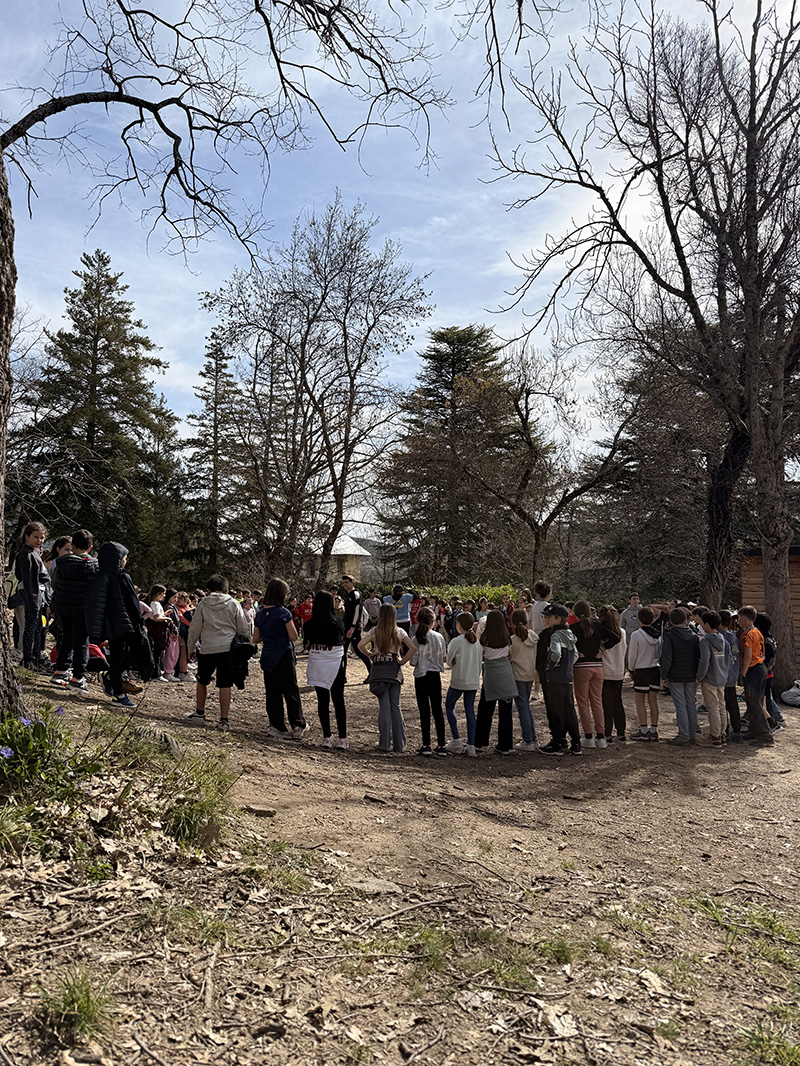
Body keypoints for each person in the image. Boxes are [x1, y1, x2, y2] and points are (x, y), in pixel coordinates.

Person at [85, 542, 153, 708]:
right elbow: (132, 602)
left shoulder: (100, 577)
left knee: (115, 659)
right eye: (124, 557)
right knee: (138, 651)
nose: (126, 560)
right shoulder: (123, 577)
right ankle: (117, 691)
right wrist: (140, 621)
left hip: (111, 626)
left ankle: (118, 692)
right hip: (127, 625)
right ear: (118, 559)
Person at [184, 574, 250, 730]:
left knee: (202, 680)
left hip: (208, 646)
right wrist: (246, 644)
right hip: (228, 648)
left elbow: (195, 628)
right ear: (226, 589)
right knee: (225, 684)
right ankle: (224, 720)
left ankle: (200, 713)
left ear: (208, 590)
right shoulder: (234, 603)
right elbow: (243, 627)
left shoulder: (203, 604)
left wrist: (191, 647)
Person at [253, 578, 308, 740]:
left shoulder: (260, 614)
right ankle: (297, 724)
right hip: (283, 654)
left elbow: (256, 638)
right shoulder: (284, 612)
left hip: (267, 656)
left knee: (273, 693)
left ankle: (276, 725)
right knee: (290, 690)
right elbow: (293, 635)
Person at [358, 603, 415, 753]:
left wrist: (370, 654)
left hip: (379, 669)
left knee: (384, 707)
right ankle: (399, 744)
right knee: (395, 707)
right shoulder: (399, 631)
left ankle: (384, 743)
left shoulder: (375, 631)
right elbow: (413, 648)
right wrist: (402, 661)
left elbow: (360, 645)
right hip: (394, 669)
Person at [50, 529, 98, 691]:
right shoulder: (94, 566)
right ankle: (78, 677)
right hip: (83, 609)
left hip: (63, 606)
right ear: (90, 547)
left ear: (73, 545)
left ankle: (60, 670)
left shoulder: (63, 563)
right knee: (82, 643)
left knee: (67, 638)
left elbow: (54, 584)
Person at [570, 599, 620, 748]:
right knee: (597, 701)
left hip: (581, 667)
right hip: (598, 667)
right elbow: (616, 638)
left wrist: (577, 652)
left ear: (575, 613)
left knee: (583, 703)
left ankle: (588, 736)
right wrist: (602, 649)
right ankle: (601, 736)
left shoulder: (573, 628)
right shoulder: (597, 626)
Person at [303, 591, 349, 750]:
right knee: (338, 701)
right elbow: (342, 639)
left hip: (318, 664)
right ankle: (343, 739)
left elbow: (306, 643)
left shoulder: (308, 624)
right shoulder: (337, 622)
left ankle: (326, 737)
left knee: (322, 701)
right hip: (336, 664)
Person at [538, 604, 581, 756]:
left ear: (558, 619)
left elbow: (555, 654)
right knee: (569, 710)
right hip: (567, 678)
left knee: (556, 711)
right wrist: (567, 667)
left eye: (548, 617)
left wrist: (550, 666)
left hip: (555, 678)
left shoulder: (554, 635)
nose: (545, 619)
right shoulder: (569, 633)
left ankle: (557, 743)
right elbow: (575, 655)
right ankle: (576, 743)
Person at [474, 610, 518, 755]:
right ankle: (505, 745)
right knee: (506, 712)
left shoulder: (485, 639)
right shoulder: (507, 637)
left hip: (491, 674)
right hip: (506, 674)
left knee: (485, 710)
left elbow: (481, 656)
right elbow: (510, 655)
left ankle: (480, 742)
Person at [444, 611, 482, 756]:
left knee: (449, 706)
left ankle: (456, 739)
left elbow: (448, 661)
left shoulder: (456, 641)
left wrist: (453, 661)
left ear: (458, 625)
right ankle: (471, 745)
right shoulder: (477, 641)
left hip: (459, 679)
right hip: (472, 680)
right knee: (470, 711)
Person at [410, 606, 447, 756]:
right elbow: (443, 657)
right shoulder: (439, 637)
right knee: (437, 709)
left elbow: (413, 662)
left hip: (421, 676)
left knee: (424, 710)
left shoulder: (416, 638)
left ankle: (426, 744)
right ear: (433, 622)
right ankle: (442, 744)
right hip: (435, 675)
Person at [662, 606, 701, 746]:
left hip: (676, 674)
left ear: (671, 622)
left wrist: (663, 675)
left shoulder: (670, 636)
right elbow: (698, 657)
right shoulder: (694, 636)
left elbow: (667, 657)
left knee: (680, 705)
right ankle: (692, 733)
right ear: (686, 620)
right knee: (690, 704)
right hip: (691, 674)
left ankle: (683, 735)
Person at [14, 521, 50, 670]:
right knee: (30, 627)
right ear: (27, 537)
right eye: (36, 537)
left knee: (36, 627)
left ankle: (34, 657)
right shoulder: (26, 554)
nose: (39, 541)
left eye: (42, 538)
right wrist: (33, 600)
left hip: (36, 594)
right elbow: (29, 580)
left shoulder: (33, 552)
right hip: (31, 594)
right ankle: (28, 659)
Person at [738, 606, 773, 746]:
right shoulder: (757, 631)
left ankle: (765, 735)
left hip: (753, 669)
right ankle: (754, 730)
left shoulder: (748, 634)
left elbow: (747, 655)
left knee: (755, 703)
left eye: (739, 618)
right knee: (753, 701)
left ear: (745, 618)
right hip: (761, 668)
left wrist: (743, 672)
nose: (738, 621)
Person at [627, 606, 662, 741]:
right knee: (653, 701)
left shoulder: (636, 635)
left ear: (639, 620)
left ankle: (643, 729)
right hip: (654, 668)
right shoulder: (657, 635)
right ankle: (653, 730)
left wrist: (631, 669)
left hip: (641, 669)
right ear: (652, 620)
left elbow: (632, 655)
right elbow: (659, 654)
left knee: (639, 701)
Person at [697, 611, 731, 746]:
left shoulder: (706, 641)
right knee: (722, 707)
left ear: (706, 624)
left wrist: (699, 677)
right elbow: (728, 659)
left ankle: (715, 736)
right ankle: (722, 734)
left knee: (713, 708)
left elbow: (704, 661)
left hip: (710, 679)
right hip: (722, 678)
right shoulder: (724, 640)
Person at [509, 608, 539, 751]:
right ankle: (532, 738)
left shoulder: (513, 640)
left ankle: (528, 740)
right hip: (530, 675)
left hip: (518, 676)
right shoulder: (533, 636)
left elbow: (509, 658)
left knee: (522, 708)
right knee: (526, 706)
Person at [597, 604, 627, 742]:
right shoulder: (622, 632)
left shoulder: (600, 634)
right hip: (618, 671)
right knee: (617, 702)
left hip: (604, 671)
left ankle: (607, 733)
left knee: (605, 703)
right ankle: (621, 732)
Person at [341, 575, 372, 680]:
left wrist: (353, 627)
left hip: (353, 628)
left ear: (352, 583)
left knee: (359, 651)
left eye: (346, 582)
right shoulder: (348, 595)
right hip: (346, 627)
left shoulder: (356, 594)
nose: (344, 584)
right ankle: (342, 676)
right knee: (343, 652)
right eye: (343, 583)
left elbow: (357, 612)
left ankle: (371, 671)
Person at [718, 609, 743, 741]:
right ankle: (737, 729)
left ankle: (724, 729)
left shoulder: (719, 637)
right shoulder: (734, 636)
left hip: (722, 675)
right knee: (732, 703)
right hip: (733, 674)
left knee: (721, 704)